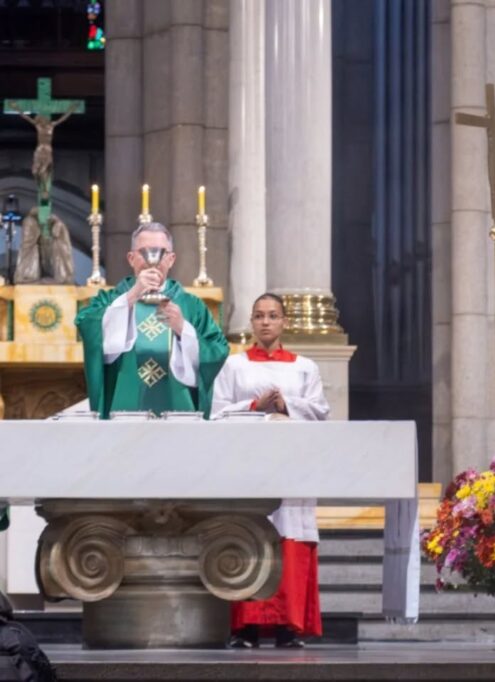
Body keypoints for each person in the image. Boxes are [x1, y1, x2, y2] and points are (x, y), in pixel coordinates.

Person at [212, 293, 328, 648]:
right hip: (247, 467)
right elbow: (215, 413)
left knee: (289, 539)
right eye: (260, 316)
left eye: (273, 316)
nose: (266, 322)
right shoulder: (234, 366)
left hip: (291, 468)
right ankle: (244, 628)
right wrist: (253, 405)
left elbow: (320, 412)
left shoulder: (305, 367)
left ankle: (287, 627)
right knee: (247, 537)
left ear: (284, 322)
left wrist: (285, 404)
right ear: (251, 321)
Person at [75, 222, 228, 418]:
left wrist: (183, 329)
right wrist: (131, 297)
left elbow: (217, 350)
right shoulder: (110, 299)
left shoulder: (191, 306)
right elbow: (87, 325)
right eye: (144, 252)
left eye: (160, 253)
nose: (152, 260)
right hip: (123, 412)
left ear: (171, 259)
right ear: (131, 258)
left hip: (178, 412)